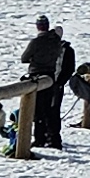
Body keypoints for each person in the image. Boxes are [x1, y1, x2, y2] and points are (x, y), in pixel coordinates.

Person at [20, 16, 75, 149]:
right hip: (53, 80)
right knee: (52, 111)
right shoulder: (59, 46)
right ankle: (53, 138)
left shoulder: (37, 42)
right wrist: (60, 82)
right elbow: (69, 68)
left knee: (40, 110)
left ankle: (41, 138)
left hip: (40, 78)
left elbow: (24, 58)